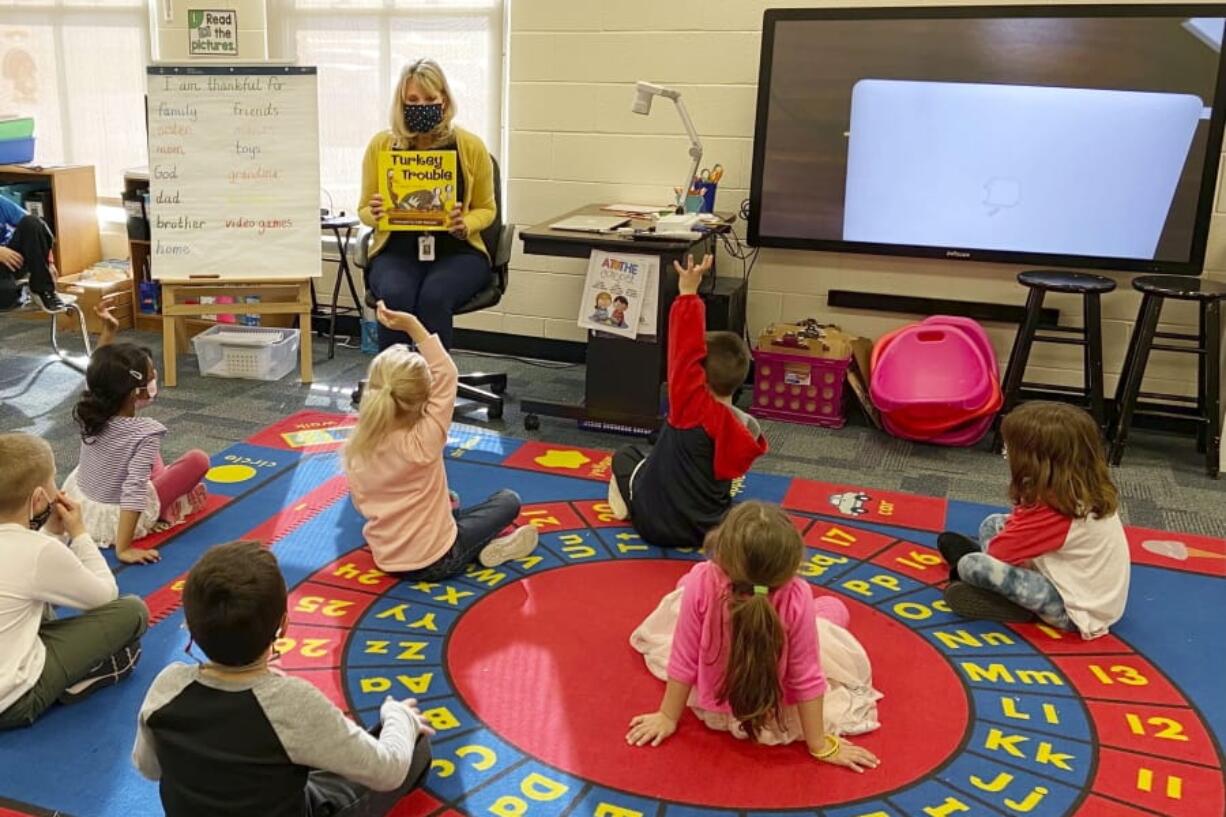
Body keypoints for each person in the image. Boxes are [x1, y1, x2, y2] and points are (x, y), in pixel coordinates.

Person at [133, 541, 433, 817]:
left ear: (187, 625)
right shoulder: (290, 702)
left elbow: (149, 768)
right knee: (413, 746)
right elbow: (388, 771)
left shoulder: (168, 685)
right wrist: (399, 716)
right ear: (284, 626)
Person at [626, 502, 882, 771]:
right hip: (771, 711)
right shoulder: (797, 594)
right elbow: (805, 675)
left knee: (684, 590)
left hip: (715, 705)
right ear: (790, 565)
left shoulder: (702, 579)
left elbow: (684, 656)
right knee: (833, 608)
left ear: (722, 553)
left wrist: (667, 716)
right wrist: (819, 744)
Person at [345, 301, 539, 578]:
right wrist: (413, 326)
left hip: (387, 558)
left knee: (451, 500)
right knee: (508, 500)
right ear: (424, 399)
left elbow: (364, 503)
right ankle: (497, 547)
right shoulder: (423, 441)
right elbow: (447, 373)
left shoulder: (358, 444)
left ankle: (456, 524)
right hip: (439, 557)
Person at [607, 254, 768, 548]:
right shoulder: (745, 428)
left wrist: (688, 293)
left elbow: (684, 350)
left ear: (698, 377)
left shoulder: (691, 408)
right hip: (708, 530)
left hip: (655, 523)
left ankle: (627, 498)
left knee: (626, 455)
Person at [937, 401, 1130, 638]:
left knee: (971, 565)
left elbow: (1001, 552)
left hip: (1074, 609)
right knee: (993, 523)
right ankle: (995, 581)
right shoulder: (1075, 488)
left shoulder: (1059, 510)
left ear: (1035, 461)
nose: (1007, 455)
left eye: (1011, 450)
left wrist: (990, 561)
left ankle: (1009, 602)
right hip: (1072, 579)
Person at [0, 432, 148, 730]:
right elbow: (105, 596)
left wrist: (54, 533)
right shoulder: (39, 551)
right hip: (12, 702)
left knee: (35, 605)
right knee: (133, 611)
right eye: (55, 480)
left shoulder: (34, 547)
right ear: (40, 498)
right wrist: (80, 533)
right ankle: (70, 682)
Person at [359, 58, 496, 352]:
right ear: (401, 102)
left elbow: (487, 208)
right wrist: (377, 213)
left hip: (458, 251)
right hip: (397, 251)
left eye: (430, 99)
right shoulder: (381, 146)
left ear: (444, 100)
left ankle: (436, 388)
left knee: (434, 297)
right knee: (396, 297)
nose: (422, 106)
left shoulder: (470, 146)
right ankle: (396, 387)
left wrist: (466, 223)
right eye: (413, 100)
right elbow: (364, 210)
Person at [63, 303, 210, 564]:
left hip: (83, 504)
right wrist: (124, 548)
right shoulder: (146, 432)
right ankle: (166, 509)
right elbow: (133, 491)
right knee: (198, 460)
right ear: (135, 393)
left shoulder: (94, 406)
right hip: (115, 519)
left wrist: (108, 331)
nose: (155, 381)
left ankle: (168, 499)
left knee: (144, 459)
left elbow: (97, 372)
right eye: (152, 377)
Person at [0, 194, 61, 310]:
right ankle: (23, 290)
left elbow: (38, 227)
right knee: (7, 299)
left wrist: (49, 263)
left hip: (11, 260)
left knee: (32, 222)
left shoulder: (2, 203)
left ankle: (43, 290)